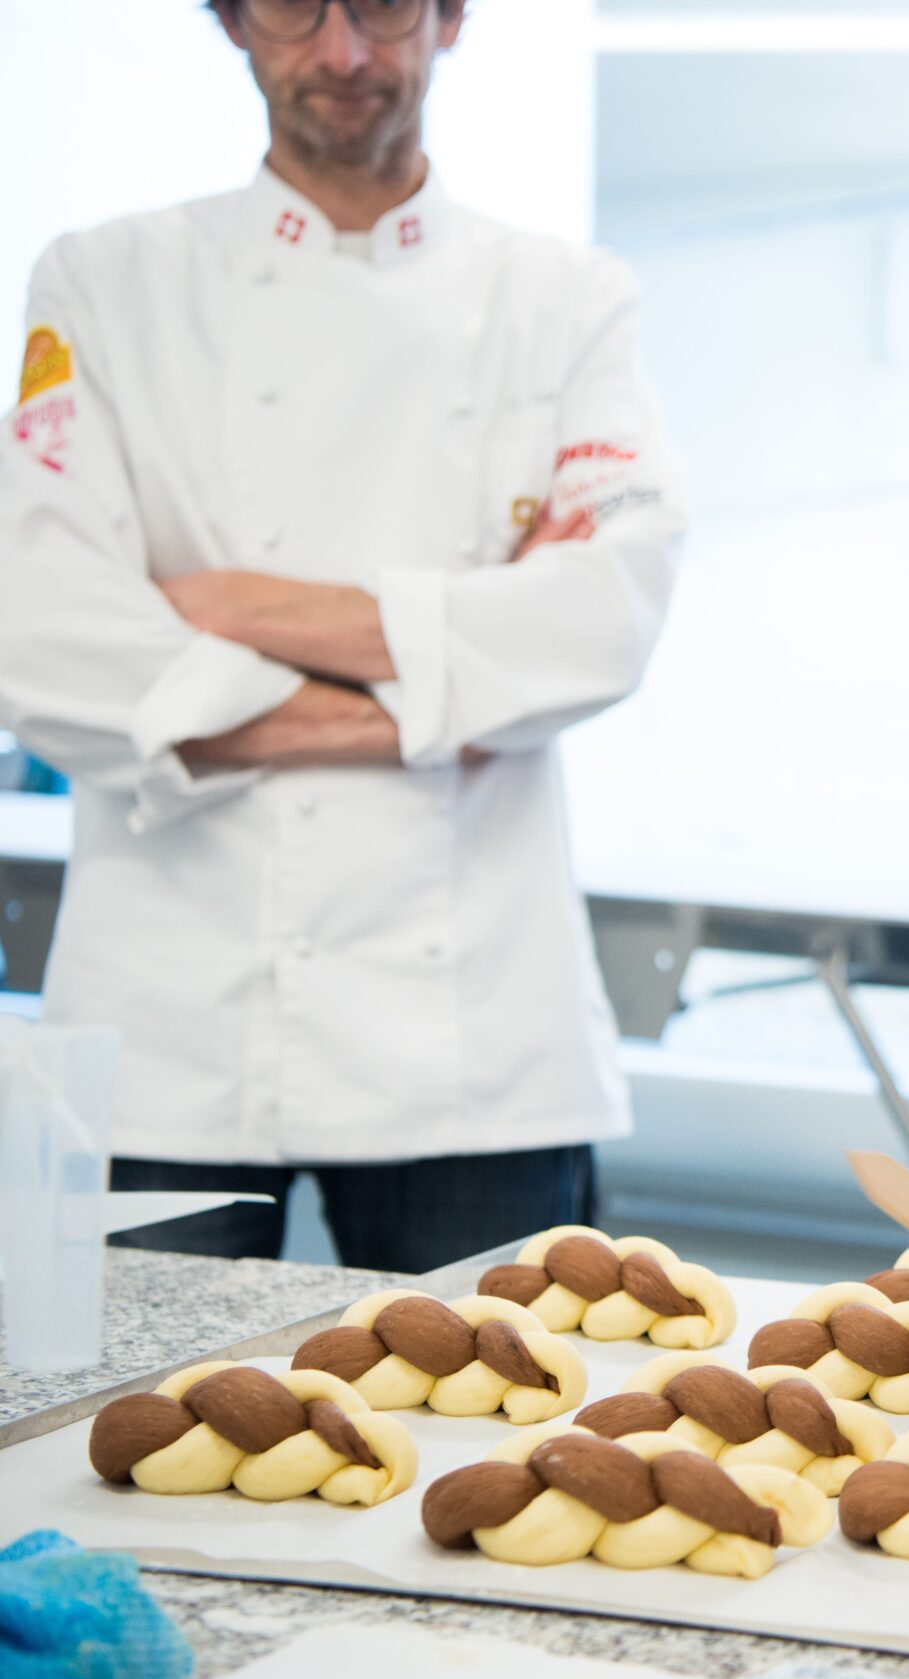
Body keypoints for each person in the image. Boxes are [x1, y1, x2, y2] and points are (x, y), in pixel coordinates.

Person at [0, 0, 684, 1271]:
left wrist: (236, 603)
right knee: (119, 1446)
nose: (343, 52)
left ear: (451, 18)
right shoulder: (104, 283)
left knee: (491, 1447)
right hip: (170, 1024)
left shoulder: (564, 297)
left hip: (476, 1042)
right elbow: (39, 635)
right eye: (290, 6)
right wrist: (437, 700)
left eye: (380, 5)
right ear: (229, 23)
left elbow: (605, 616)